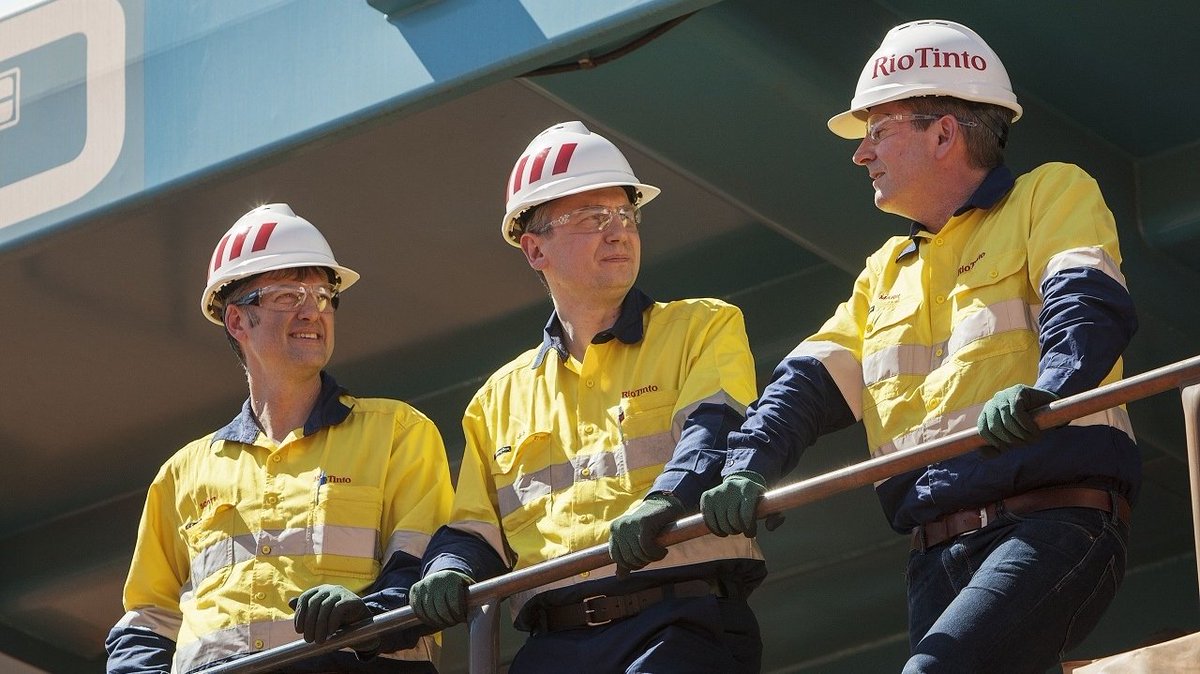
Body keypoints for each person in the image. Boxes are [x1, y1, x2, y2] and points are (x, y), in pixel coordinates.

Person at [699, 19, 1138, 674]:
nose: (861, 154)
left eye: (878, 131)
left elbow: (1087, 304)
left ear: (943, 133)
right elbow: (805, 385)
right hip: (934, 555)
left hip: (1051, 523)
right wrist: (747, 463)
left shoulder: (1049, 194)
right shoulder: (884, 272)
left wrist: (1050, 389)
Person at [407, 121, 767, 673]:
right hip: (552, 648)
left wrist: (662, 501)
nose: (618, 231)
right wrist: (447, 570)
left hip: (681, 622)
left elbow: (715, 434)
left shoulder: (703, 327)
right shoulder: (495, 400)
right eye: (592, 219)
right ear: (534, 249)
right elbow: (476, 531)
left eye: (626, 215)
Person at [105, 204, 454, 673]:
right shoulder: (182, 474)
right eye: (289, 295)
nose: (313, 310)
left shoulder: (398, 433)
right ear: (237, 321)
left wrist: (365, 615)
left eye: (323, 294)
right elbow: (147, 621)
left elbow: (422, 575)